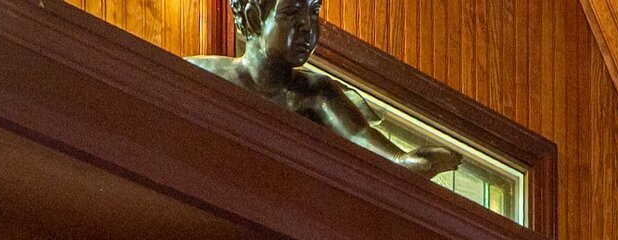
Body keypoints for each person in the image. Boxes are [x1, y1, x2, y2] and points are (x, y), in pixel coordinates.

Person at [192, 0, 463, 178]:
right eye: (292, 12)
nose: (308, 27)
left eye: (314, 12)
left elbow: (359, 135)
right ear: (253, 18)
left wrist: (402, 160)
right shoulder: (202, 74)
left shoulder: (316, 91)